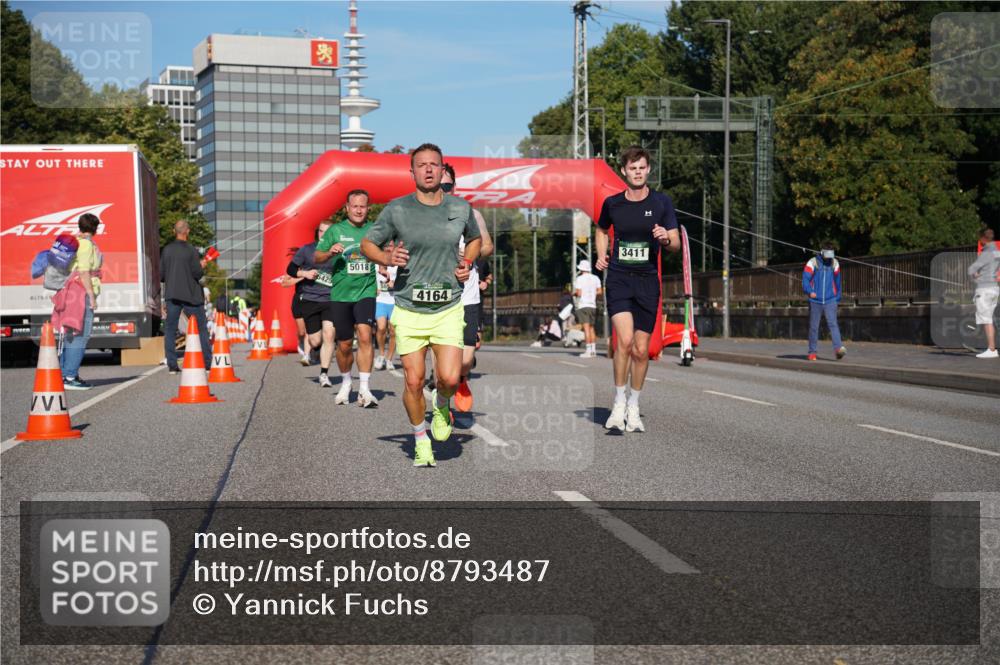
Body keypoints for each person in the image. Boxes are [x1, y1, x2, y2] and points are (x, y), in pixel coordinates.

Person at [361, 143, 481, 467]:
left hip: (447, 306)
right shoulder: (397, 209)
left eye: (434, 164)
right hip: (409, 307)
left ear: (442, 170)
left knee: (450, 378)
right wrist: (387, 257)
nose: (428, 169)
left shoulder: (461, 208)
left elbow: (475, 240)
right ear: (412, 171)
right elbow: (367, 243)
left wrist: (467, 263)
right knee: (413, 382)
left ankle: (441, 404)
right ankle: (420, 439)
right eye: (422, 164)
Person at [595, 145, 680, 433]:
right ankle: (618, 402)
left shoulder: (661, 202)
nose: (638, 172)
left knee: (642, 350)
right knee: (625, 340)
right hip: (619, 279)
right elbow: (601, 229)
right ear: (624, 171)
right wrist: (601, 254)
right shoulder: (613, 203)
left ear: (649, 170)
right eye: (633, 168)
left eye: (642, 167)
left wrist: (665, 238)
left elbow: (675, 242)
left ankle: (634, 405)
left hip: (647, 281)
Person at [315, 190, 379, 407]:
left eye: (363, 206)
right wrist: (329, 252)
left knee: (365, 336)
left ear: (368, 208)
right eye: (355, 206)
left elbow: (384, 252)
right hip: (341, 295)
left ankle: (365, 388)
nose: (359, 210)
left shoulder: (375, 230)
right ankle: (346, 382)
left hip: (366, 291)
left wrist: (385, 265)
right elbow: (317, 256)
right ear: (347, 208)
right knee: (344, 344)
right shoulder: (336, 230)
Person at [441, 163, 494, 412]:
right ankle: (442, 404)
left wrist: (471, 253)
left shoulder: (471, 214)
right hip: (440, 296)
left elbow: (488, 247)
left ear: (455, 186)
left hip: (468, 296)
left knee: (465, 359)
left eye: (447, 185)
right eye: (439, 185)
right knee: (443, 359)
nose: (443, 189)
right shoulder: (422, 216)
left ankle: (462, 379)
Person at [288, 221, 338, 383]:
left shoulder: (339, 251)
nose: (323, 235)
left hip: (331, 299)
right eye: (321, 231)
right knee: (315, 340)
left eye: (327, 232)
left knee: (329, 335)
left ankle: (324, 374)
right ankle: (316, 349)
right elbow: (290, 269)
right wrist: (304, 273)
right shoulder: (306, 250)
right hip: (310, 299)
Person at [161, 219, 211, 374]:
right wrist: (202, 265)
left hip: (172, 294)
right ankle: (207, 363)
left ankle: (172, 365)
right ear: (187, 232)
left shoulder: (167, 250)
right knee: (201, 328)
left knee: (170, 329)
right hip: (191, 295)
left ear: (173, 232)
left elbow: (161, 275)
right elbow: (197, 273)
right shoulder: (191, 250)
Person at [60, 213, 103, 390]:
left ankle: (66, 374)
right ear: (95, 228)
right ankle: (69, 376)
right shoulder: (86, 245)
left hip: (73, 291)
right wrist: (91, 296)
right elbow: (84, 272)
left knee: (72, 333)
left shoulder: (79, 242)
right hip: (81, 292)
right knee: (81, 334)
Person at [803, 241, 847, 362]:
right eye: (827, 254)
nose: (829, 258)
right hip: (815, 300)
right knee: (814, 326)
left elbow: (837, 281)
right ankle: (812, 352)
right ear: (822, 252)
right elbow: (805, 279)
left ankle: (838, 349)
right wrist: (809, 291)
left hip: (830, 300)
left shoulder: (834, 263)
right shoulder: (813, 262)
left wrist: (837, 297)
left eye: (831, 254)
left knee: (833, 324)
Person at [968, 227, 999, 359]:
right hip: (994, 289)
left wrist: (975, 275)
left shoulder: (986, 252)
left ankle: (991, 349)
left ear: (983, 238)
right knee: (989, 319)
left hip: (984, 290)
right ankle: (990, 347)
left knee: (986, 320)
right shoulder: (997, 252)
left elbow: (971, 270)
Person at [574, 260, 602, 357]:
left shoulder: (579, 279)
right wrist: (592, 293)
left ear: (581, 269)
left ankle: (588, 350)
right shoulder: (596, 278)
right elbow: (600, 291)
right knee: (591, 328)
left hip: (583, 305)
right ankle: (593, 350)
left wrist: (574, 293)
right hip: (593, 305)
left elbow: (579, 293)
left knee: (586, 328)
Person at [374, 264, 398, 371]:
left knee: (393, 331)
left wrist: (394, 284)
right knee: (381, 327)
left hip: (394, 301)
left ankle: (389, 359)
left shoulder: (396, 266)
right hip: (380, 301)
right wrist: (374, 288)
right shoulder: (375, 265)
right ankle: (381, 355)